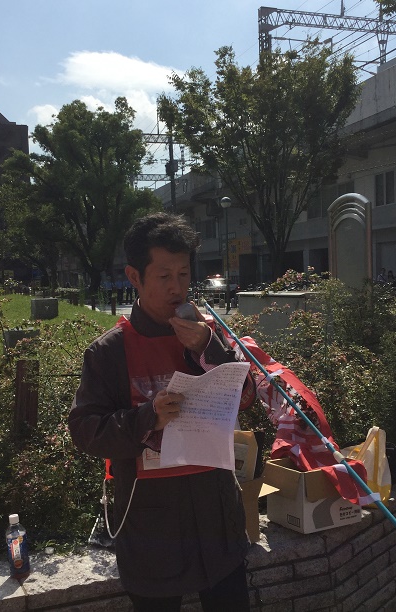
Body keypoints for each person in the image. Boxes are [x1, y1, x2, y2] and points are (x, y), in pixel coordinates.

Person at [69, 212, 256, 612]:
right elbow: (85, 431)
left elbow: (244, 397)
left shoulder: (207, 334)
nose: (177, 287)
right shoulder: (109, 352)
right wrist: (147, 417)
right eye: (164, 275)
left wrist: (209, 348)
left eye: (184, 274)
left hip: (216, 522)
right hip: (151, 530)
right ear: (134, 276)